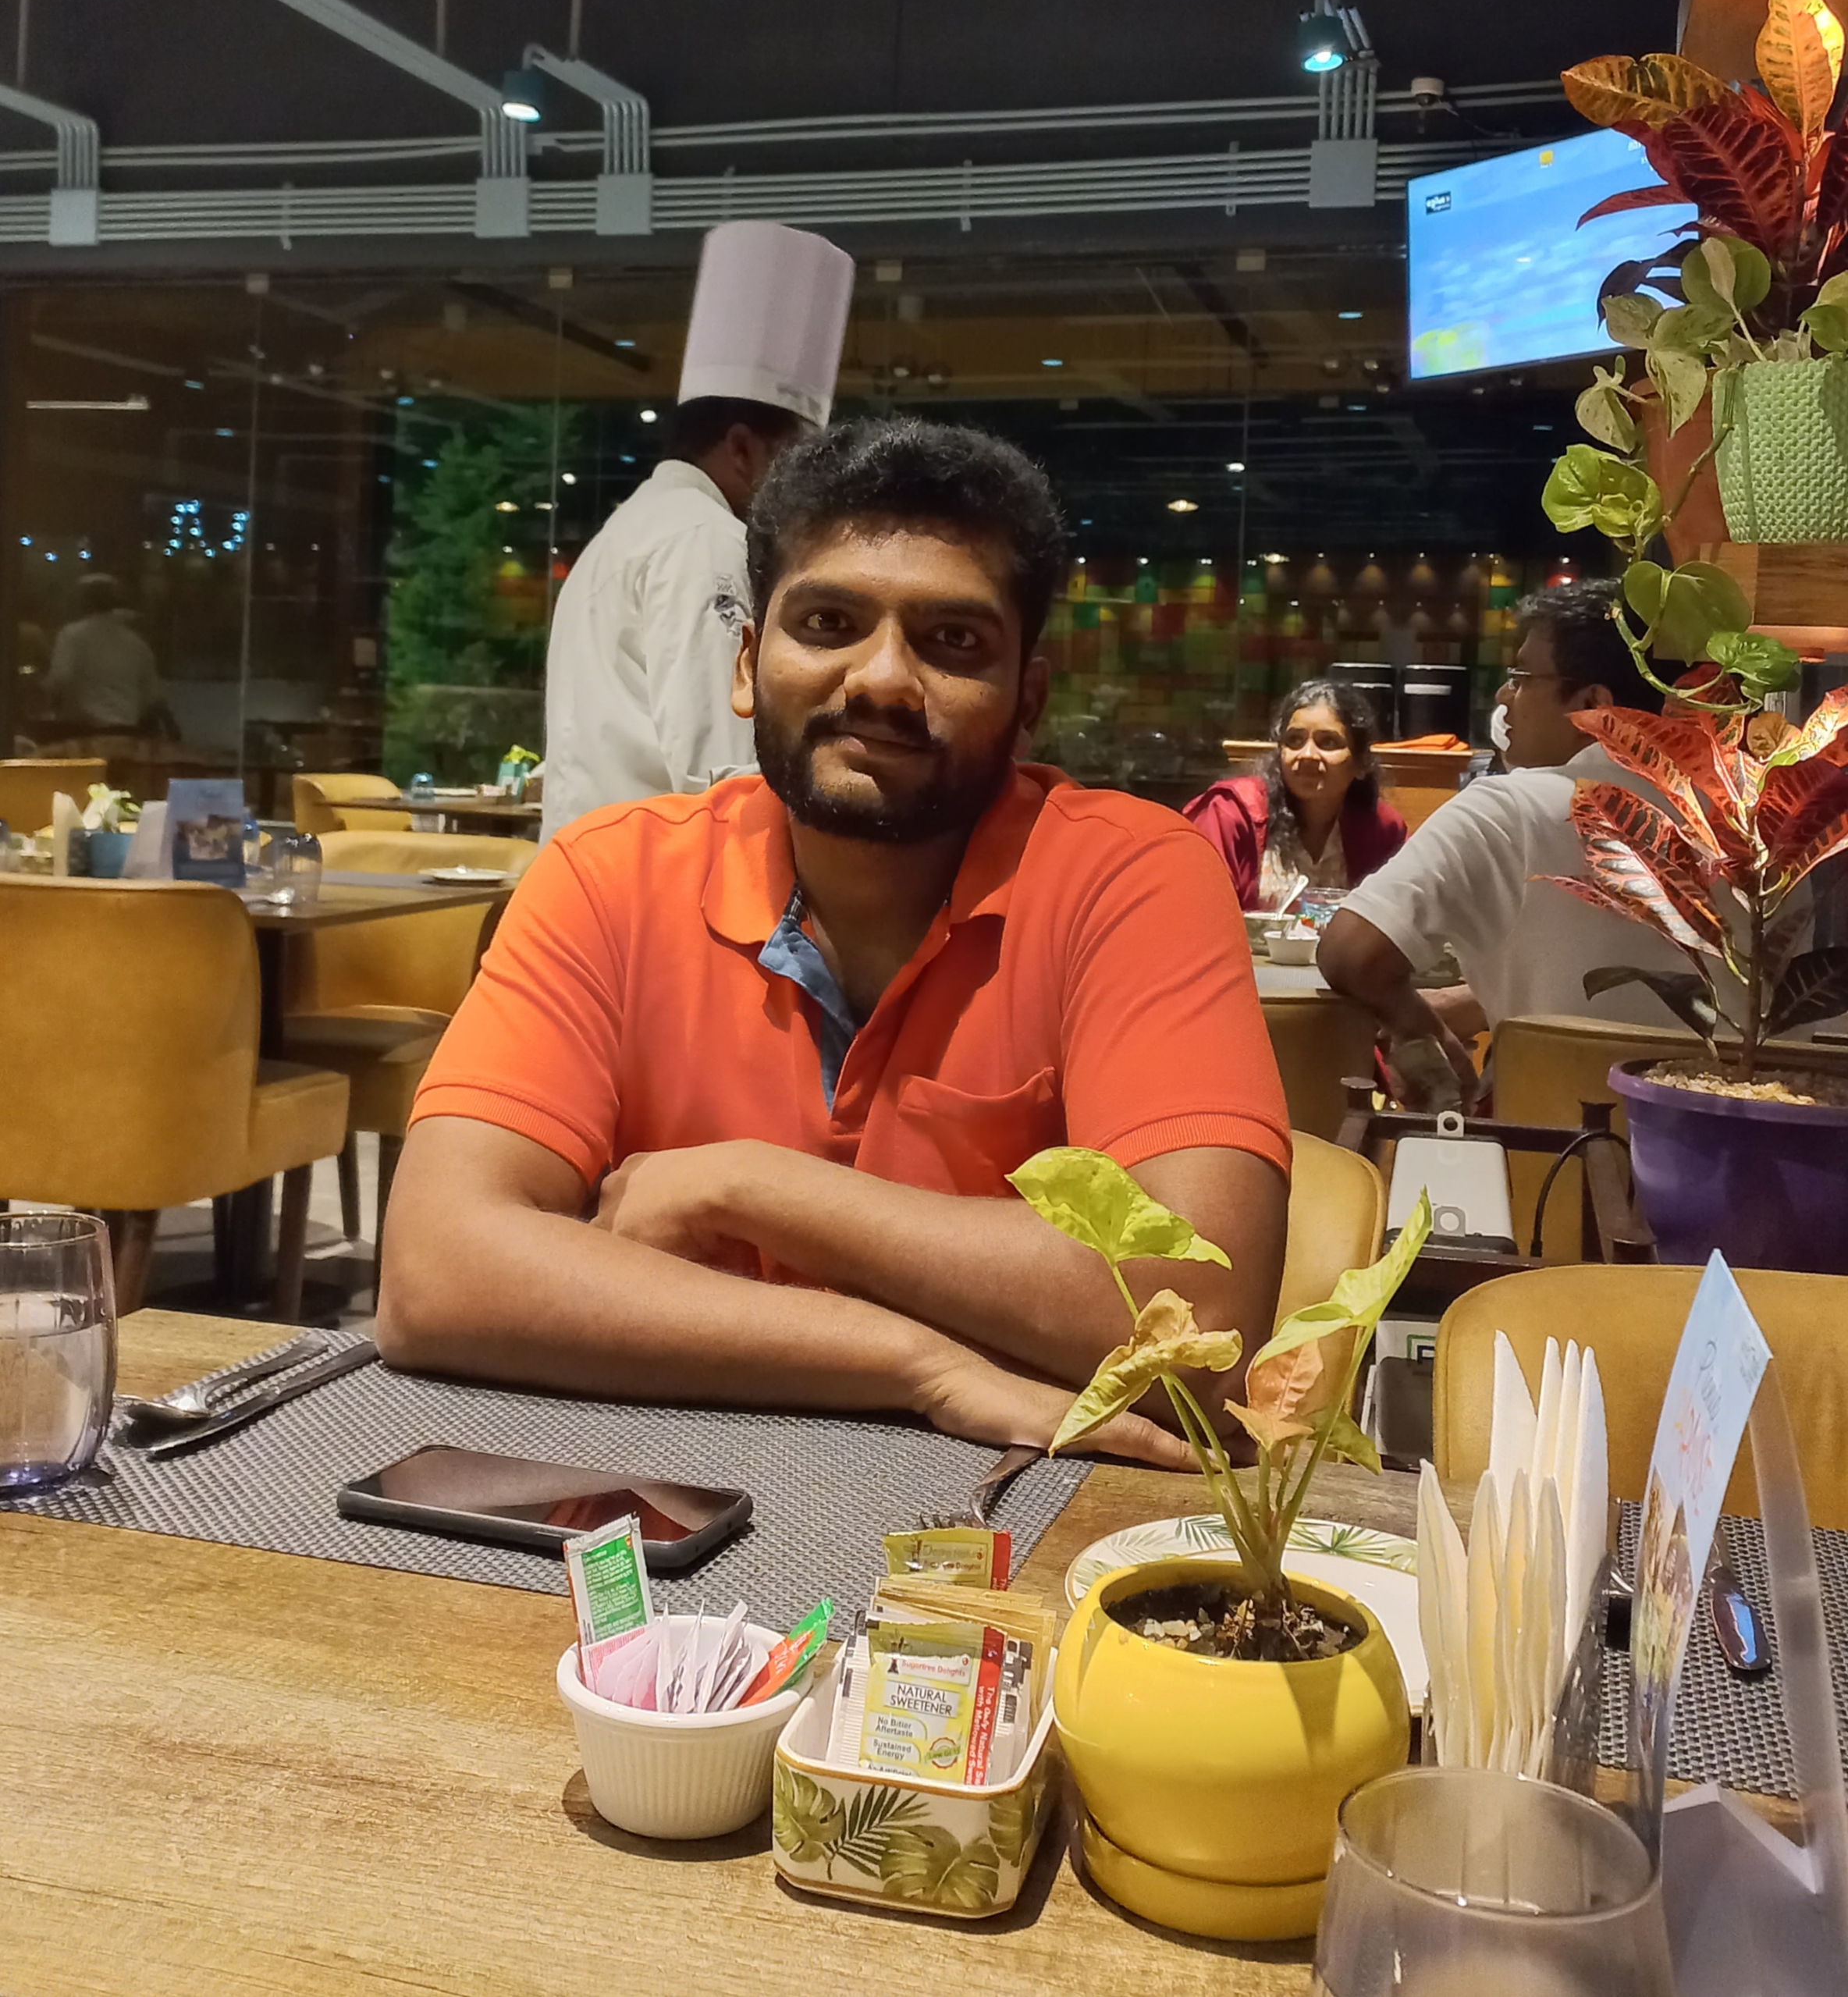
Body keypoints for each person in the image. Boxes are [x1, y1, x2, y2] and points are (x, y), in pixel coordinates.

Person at [379, 417, 1292, 1463]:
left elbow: (1199, 1324)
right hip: (653, 1484)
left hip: (1012, 1507)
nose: (882, 679)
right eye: (828, 622)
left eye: (954, 641)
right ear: (746, 665)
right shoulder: (608, 876)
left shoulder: (1128, 876)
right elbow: (436, 1270)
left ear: (1027, 700)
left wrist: (747, 1185)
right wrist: (916, 1363)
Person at [1317, 580, 1697, 1103]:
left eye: (1521, 677)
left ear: (1594, 706)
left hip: (1551, 1145)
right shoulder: (1746, 830)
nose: (1502, 696)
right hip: (1739, 1142)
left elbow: (1350, 953)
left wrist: (1418, 1025)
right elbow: (1633, 986)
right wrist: (1474, 1000)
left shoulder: (1508, 809)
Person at [541, 221, 855, 838]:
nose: (803, 485)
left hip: (593, 861)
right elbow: (725, 769)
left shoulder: (630, 527)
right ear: (742, 448)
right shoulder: (704, 538)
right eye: (796, 458)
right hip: (652, 874)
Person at [1182, 678, 1407, 911]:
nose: (1307, 755)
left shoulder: (1383, 831)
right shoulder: (1229, 813)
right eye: (1294, 741)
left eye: (1328, 742)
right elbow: (1196, 910)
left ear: (1361, 763)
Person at [43, 574, 168, 735]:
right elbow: (151, 695)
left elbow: (61, 678)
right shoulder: (136, 642)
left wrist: (47, 694)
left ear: (84, 601)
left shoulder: (71, 635)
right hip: (127, 730)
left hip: (82, 730)